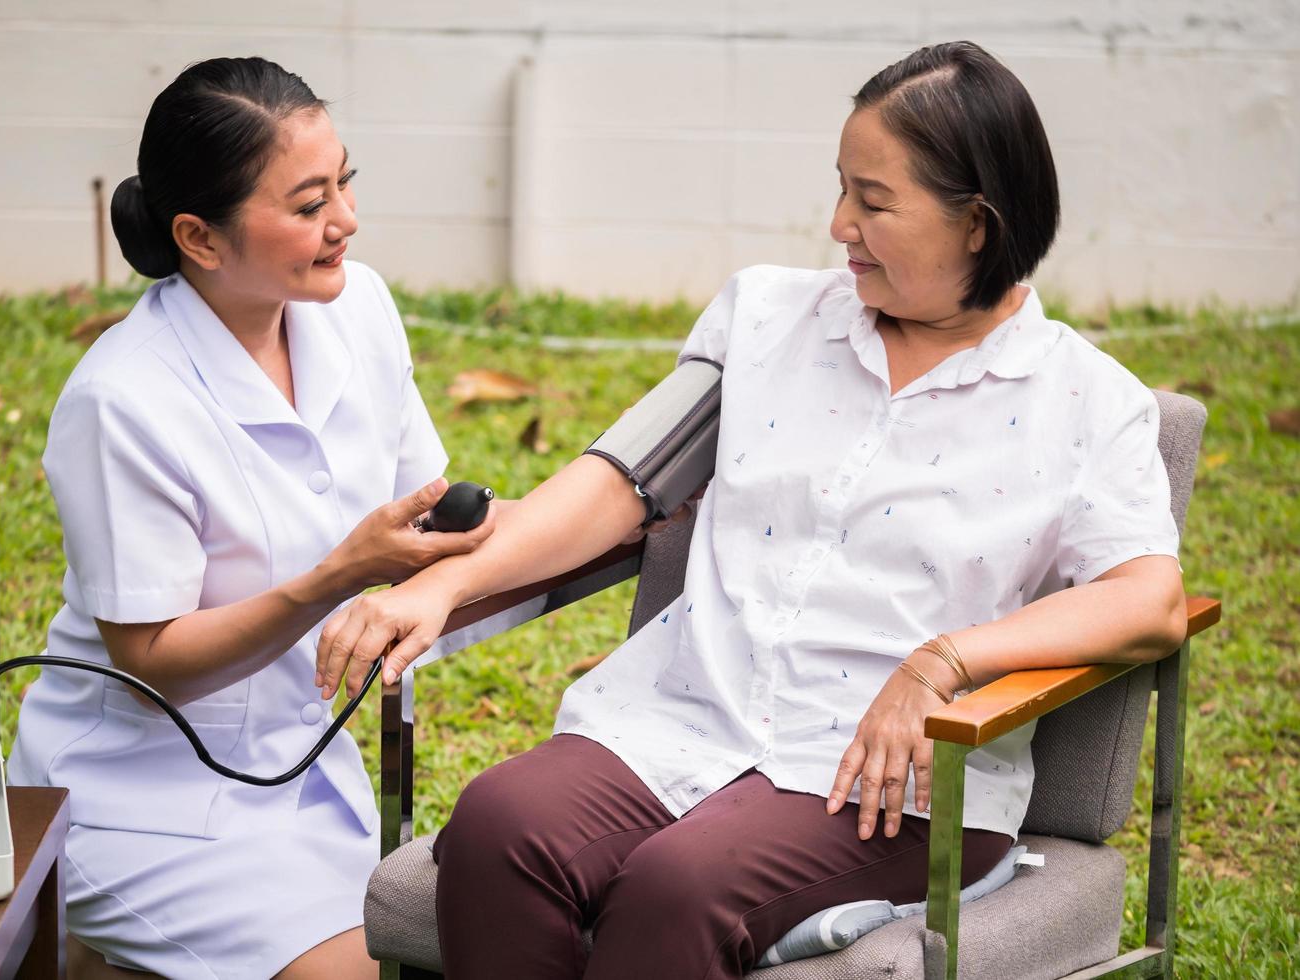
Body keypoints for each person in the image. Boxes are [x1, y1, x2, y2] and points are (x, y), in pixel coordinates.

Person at [316, 41, 1189, 979]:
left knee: (676, 888)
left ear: (977, 223)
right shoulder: (770, 321)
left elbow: (1150, 599)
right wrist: (443, 587)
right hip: (684, 720)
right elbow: (619, 482)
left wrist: (941, 665)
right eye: (841, 188)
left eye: (874, 200)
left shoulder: (1086, 402)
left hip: (888, 784)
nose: (839, 224)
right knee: (499, 827)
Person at [7, 57, 499, 980]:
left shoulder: (359, 310)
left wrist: (627, 504)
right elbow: (154, 661)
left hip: (299, 771)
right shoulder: (122, 399)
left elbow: (434, 515)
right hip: (137, 797)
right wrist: (339, 575)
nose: (345, 221)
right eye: (310, 205)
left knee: (469, 943)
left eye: (345, 181)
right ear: (199, 236)